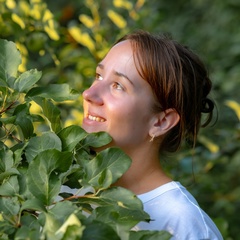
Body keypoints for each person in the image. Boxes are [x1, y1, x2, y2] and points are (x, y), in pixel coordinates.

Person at [81, 30, 223, 239]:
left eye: (118, 86)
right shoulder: (61, 186)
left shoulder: (183, 225)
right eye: (98, 76)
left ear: (161, 122)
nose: (89, 94)